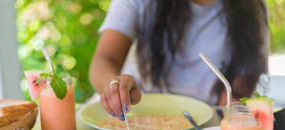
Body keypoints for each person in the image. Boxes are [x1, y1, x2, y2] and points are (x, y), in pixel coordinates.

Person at [89, 0, 269, 120]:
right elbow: (104, 60)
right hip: (135, 116)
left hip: (205, 125)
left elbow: (234, 98)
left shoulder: (252, 8)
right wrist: (114, 87)